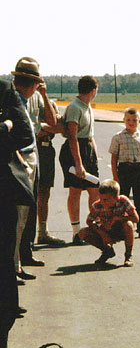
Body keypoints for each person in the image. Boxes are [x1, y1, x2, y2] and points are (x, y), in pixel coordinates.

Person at [11, 58, 59, 283]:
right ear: (32, 84)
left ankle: (18, 262)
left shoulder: (30, 99)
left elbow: (51, 121)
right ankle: (13, 268)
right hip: (21, 162)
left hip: (31, 157)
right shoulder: (13, 103)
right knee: (17, 219)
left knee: (24, 216)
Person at [0, 77, 34, 348]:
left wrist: (6, 127)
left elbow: (25, 134)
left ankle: (0, 341)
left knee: (2, 268)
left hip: (1, 190)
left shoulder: (3, 89)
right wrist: (4, 127)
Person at [58, 75, 100, 245]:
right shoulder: (75, 107)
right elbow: (72, 137)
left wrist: (95, 155)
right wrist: (78, 163)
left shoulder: (87, 107)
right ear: (93, 90)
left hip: (88, 149)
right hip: (75, 151)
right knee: (75, 190)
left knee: (94, 189)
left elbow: (90, 135)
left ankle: (94, 229)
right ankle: (76, 233)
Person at [109, 107, 140, 239]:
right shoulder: (118, 137)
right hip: (124, 170)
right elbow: (114, 158)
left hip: (139, 170)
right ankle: (120, 230)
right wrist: (115, 176)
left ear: (139, 121)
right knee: (122, 201)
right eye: (128, 120)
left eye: (134, 120)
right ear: (124, 120)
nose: (131, 122)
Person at [79, 179, 138, 267]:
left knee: (128, 225)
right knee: (83, 233)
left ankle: (128, 256)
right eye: (101, 199)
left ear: (116, 198)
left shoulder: (123, 201)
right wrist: (102, 234)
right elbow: (89, 221)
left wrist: (118, 218)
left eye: (106, 200)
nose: (103, 202)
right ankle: (107, 251)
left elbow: (136, 218)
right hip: (106, 230)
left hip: (120, 230)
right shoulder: (97, 205)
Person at [36, 98, 67, 246]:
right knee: (28, 193)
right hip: (31, 149)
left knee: (44, 192)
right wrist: (44, 128)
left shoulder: (50, 103)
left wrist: (41, 127)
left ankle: (42, 232)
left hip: (46, 149)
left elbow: (60, 127)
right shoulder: (23, 100)